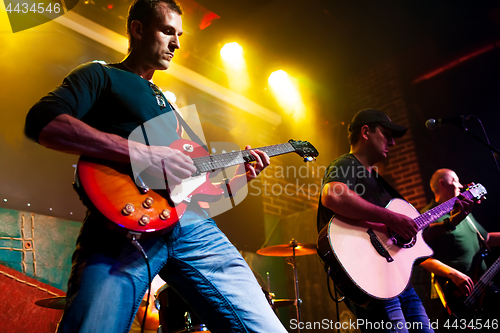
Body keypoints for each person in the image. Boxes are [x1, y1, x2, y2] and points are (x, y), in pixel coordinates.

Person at [24, 1, 287, 332]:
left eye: (179, 34)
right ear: (137, 29)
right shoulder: (101, 75)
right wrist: (140, 154)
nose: (176, 43)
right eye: (167, 31)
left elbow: (195, 182)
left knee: (266, 328)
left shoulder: (168, 106)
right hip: (123, 226)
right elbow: (43, 121)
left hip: (193, 225)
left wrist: (239, 177)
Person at [317, 109, 473, 332]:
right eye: (387, 134)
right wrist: (391, 217)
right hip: (369, 274)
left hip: (398, 279)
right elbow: (332, 195)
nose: (392, 141)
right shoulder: (347, 164)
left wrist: (451, 222)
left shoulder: (380, 183)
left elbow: (411, 240)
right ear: (365, 131)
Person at [413, 169, 500, 327]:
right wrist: (453, 274)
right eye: (455, 180)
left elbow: (485, 238)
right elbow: (419, 257)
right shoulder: (429, 216)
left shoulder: (463, 211)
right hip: (458, 296)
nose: (460, 185)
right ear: (442, 183)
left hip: (483, 288)